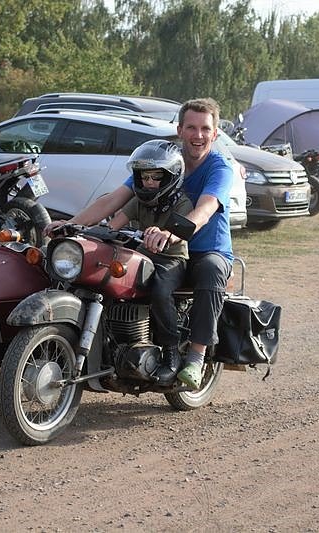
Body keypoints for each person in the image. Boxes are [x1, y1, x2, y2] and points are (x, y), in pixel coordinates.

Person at [45, 98, 234, 390]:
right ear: (180, 130)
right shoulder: (163, 162)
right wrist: (72, 225)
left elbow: (206, 208)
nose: (198, 135)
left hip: (205, 249)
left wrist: (171, 233)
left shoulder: (219, 168)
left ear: (215, 133)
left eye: (205, 129)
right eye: (191, 127)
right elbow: (114, 200)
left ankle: (195, 357)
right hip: (156, 248)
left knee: (211, 270)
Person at [109, 140, 193, 383]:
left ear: (170, 177)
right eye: (144, 177)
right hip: (142, 254)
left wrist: (165, 234)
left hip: (171, 259)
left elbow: (179, 232)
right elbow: (114, 224)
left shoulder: (182, 202)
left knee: (159, 290)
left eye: (156, 177)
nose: (149, 183)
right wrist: (96, 231)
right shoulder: (138, 201)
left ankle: (171, 352)